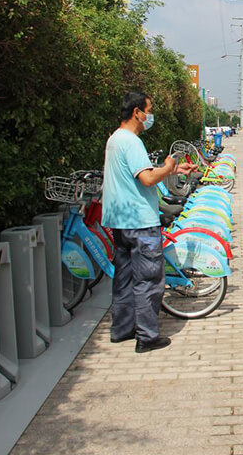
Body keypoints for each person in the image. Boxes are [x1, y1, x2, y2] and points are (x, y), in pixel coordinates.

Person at [102, 92, 197, 353]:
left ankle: (121, 330)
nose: (150, 116)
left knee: (124, 278)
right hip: (140, 222)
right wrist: (168, 167)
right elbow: (146, 179)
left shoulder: (115, 139)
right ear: (136, 112)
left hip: (120, 222)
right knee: (147, 280)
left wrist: (174, 170)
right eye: (148, 110)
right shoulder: (131, 142)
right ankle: (147, 337)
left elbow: (137, 172)